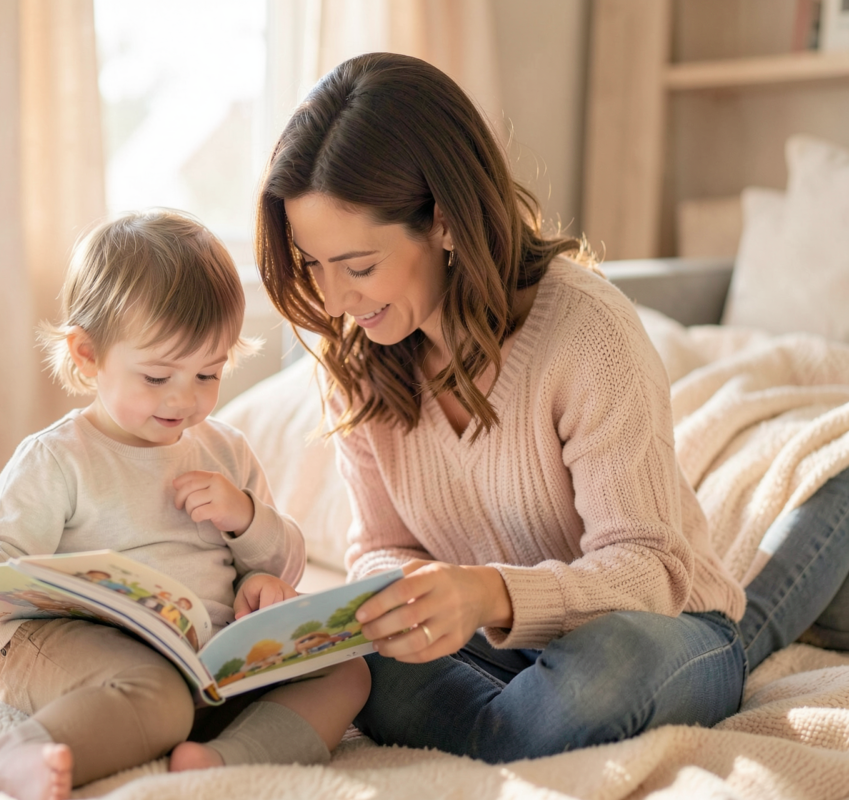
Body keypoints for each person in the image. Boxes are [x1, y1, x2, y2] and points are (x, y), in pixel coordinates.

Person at [255, 51, 849, 763]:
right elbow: (382, 545)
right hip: (497, 652)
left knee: (605, 673)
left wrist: (485, 594)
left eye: (358, 267)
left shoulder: (586, 334)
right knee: (360, 670)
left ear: (443, 222)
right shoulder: (356, 357)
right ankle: (518, 731)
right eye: (312, 266)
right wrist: (391, 598)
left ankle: (517, 725)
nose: (335, 302)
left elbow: (648, 570)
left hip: (652, 628)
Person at [0, 209, 371, 799]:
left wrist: (248, 530)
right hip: (56, 646)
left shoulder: (227, 452)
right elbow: (1, 554)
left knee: (346, 673)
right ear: (89, 356)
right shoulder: (59, 458)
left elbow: (278, 567)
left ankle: (224, 759)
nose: (186, 400)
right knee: (158, 697)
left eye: (208, 374)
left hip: (201, 663)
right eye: (158, 377)